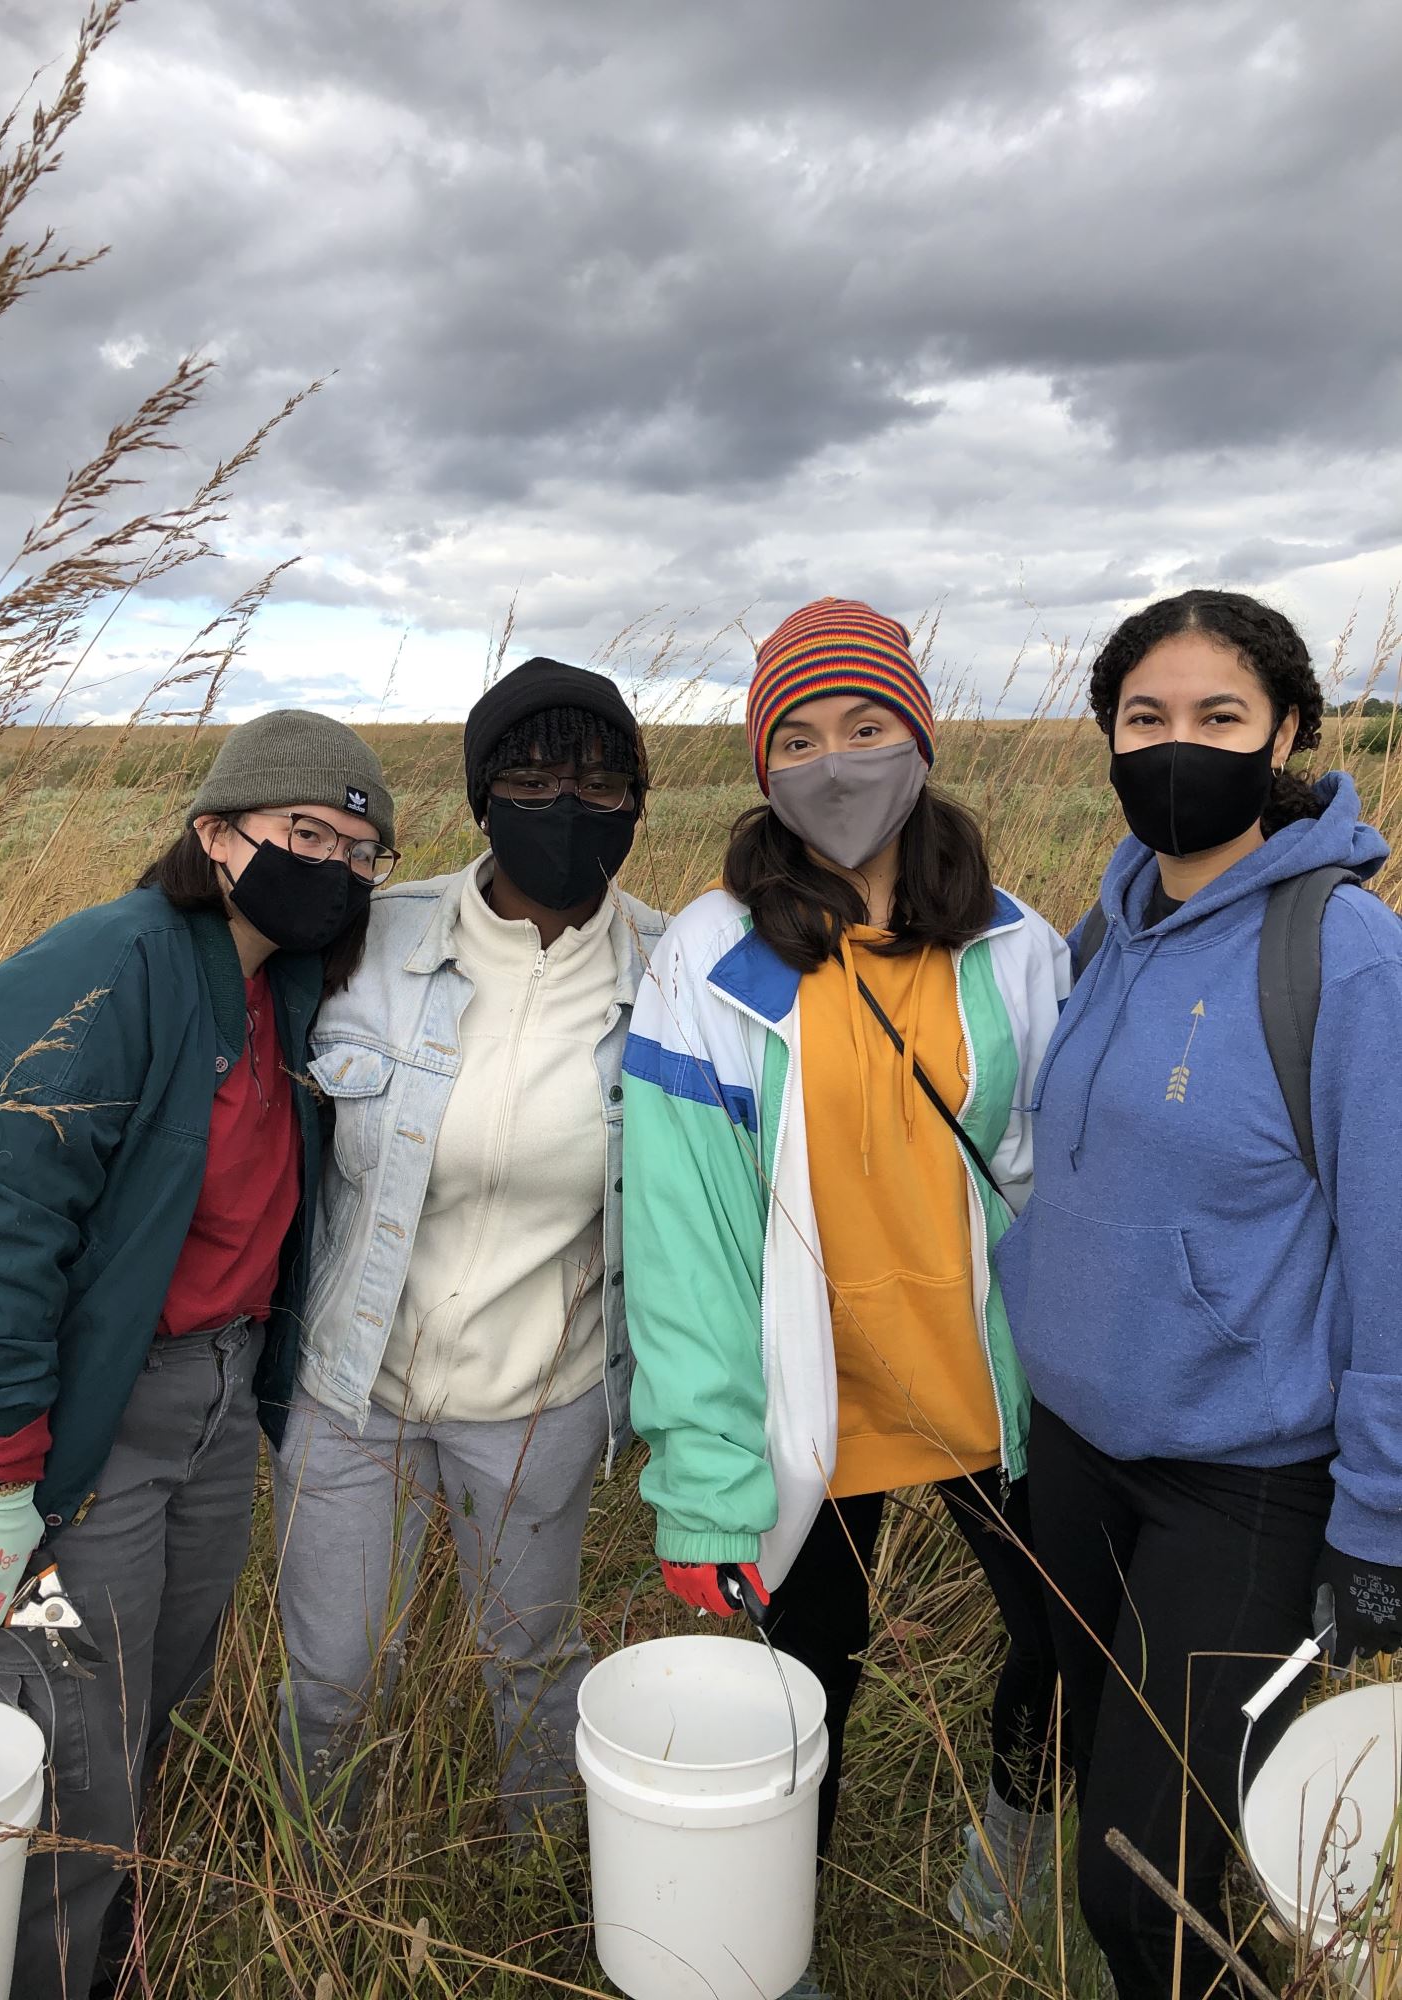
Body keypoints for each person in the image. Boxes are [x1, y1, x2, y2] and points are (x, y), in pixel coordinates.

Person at [0, 711, 394, 2000]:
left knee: (145, 1695)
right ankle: (31, 1970)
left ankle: (96, 1931)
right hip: (70, 1425)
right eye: (307, 834)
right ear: (216, 831)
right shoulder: (97, 970)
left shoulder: (274, 985)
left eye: (361, 848)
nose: (335, 866)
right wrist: (0, 1477)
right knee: (58, 1739)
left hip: (213, 1402)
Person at [621, 598, 1070, 1994]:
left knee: (1065, 1637)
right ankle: (774, 1931)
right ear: (764, 768)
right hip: (806, 1399)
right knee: (805, 1677)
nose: (836, 763)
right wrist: (702, 1478)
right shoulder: (711, 960)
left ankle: (1007, 1851)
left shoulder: (1014, 947)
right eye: (799, 737)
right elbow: (684, 1240)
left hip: (991, 1387)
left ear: (919, 740)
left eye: (867, 728)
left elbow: (1057, 1185)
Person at [996, 589, 1402, 1999]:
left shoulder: (1343, 956)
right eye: (1145, 718)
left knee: (1137, 1879)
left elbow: (1396, 1257)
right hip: (1080, 1455)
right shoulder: (1106, 932)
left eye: (1220, 717)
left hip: (1241, 1487)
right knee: (1150, 1811)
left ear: (1286, 730)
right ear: (1108, 737)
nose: (1179, 745)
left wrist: (1380, 1517)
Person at [272, 658, 664, 1834]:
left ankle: (539, 1875)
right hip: (354, 1385)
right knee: (336, 1676)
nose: (565, 808)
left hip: (539, 1398)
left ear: (642, 801)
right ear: (481, 796)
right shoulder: (370, 937)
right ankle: (323, 1877)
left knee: (532, 1665)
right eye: (532, 778)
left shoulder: (674, 970)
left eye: (601, 783)